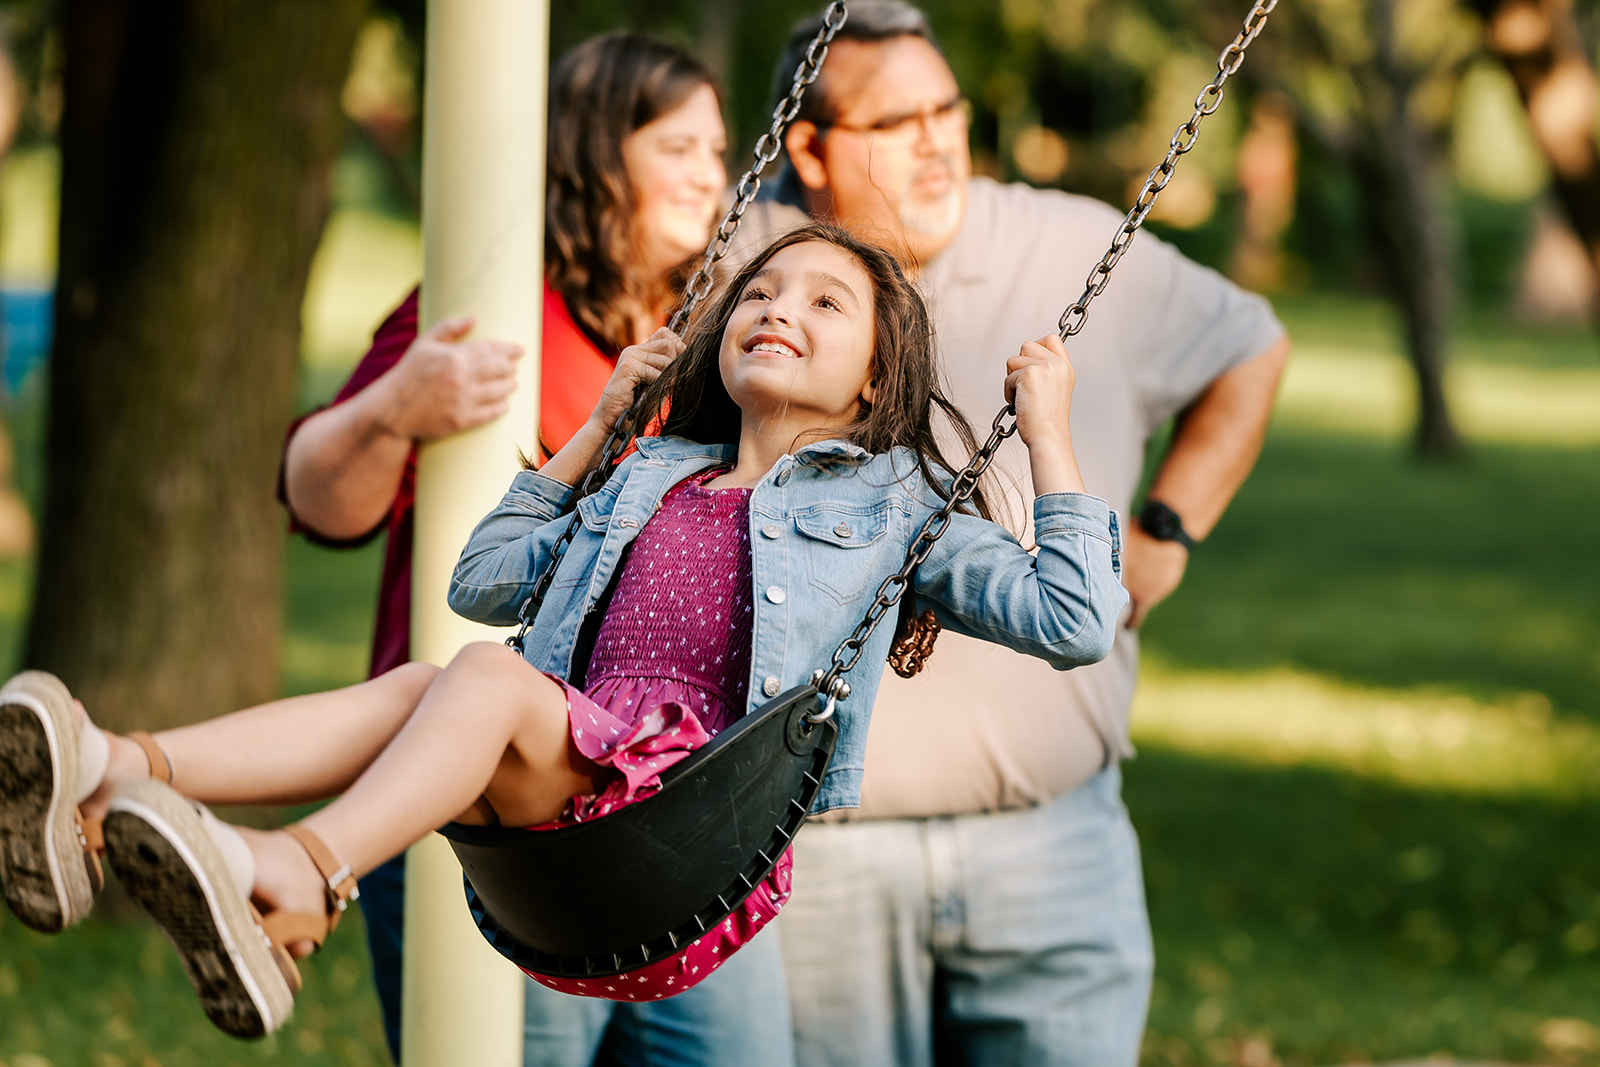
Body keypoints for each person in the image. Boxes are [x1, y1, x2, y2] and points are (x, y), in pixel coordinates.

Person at [0, 224, 1128, 1048]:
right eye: (760, 289)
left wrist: (1047, 438)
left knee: (481, 680)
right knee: (424, 681)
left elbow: (1074, 619)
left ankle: (304, 873)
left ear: (877, 371)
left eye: (826, 303)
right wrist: (595, 429)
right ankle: (107, 774)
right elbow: (482, 577)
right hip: (577, 789)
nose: (777, 304)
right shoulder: (653, 469)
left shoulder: (894, 502)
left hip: (686, 818)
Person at [738, 5, 1293, 1065]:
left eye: (945, 107)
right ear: (806, 148)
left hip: (1052, 839)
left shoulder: (1071, 242)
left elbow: (1250, 346)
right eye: (895, 122)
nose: (938, 140)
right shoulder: (753, 271)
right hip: (816, 854)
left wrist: (1166, 529)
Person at [276, 33, 791, 1066]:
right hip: (507, 800)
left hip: (676, 805)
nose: (711, 172)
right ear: (599, 156)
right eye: (676, 145)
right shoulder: (506, 306)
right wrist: (392, 408)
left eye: (716, 147)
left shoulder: (728, 338)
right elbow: (320, 501)